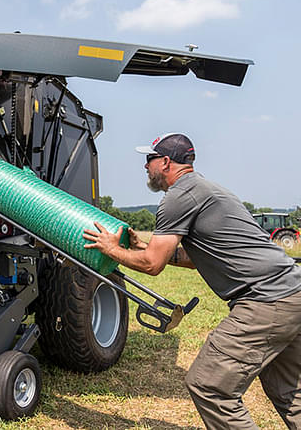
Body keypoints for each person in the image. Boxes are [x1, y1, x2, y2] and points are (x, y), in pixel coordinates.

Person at [82, 133, 301, 429]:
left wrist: (112, 249)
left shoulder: (178, 197)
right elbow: (191, 257)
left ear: (166, 162)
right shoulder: (207, 190)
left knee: (209, 386)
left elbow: (152, 264)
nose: (145, 167)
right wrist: (137, 247)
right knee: (289, 391)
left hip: (265, 300)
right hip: (291, 294)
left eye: (149, 160)